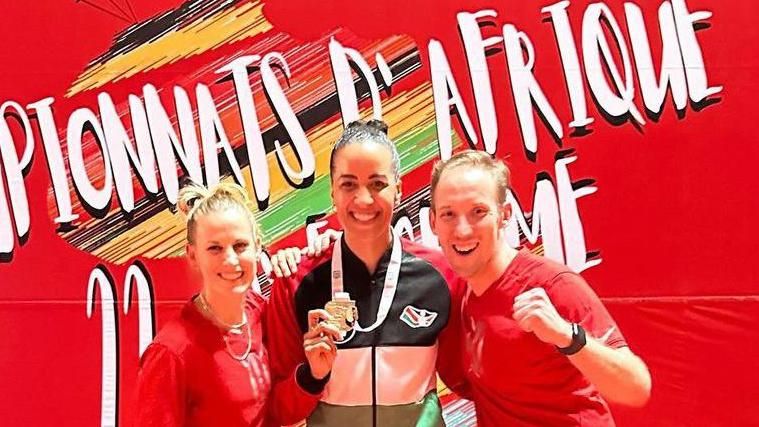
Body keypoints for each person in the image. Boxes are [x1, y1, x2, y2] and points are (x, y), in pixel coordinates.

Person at [428, 150, 652, 426]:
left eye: (478, 212)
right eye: (449, 214)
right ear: (433, 222)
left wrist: (567, 336)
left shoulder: (551, 284)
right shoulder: (456, 294)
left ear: (504, 214)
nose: (462, 230)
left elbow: (636, 388)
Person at [266, 120, 466, 427]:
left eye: (377, 184)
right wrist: (311, 377)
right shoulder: (295, 281)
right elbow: (279, 410)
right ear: (332, 191)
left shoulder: (442, 276)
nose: (363, 199)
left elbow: (468, 380)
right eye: (348, 184)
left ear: (398, 190)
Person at [134, 182, 339, 427]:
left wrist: (313, 375)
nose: (230, 260)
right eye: (215, 248)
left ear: (258, 247)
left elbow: (279, 412)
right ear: (192, 255)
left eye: (240, 246)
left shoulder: (264, 312)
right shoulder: (171, 353)